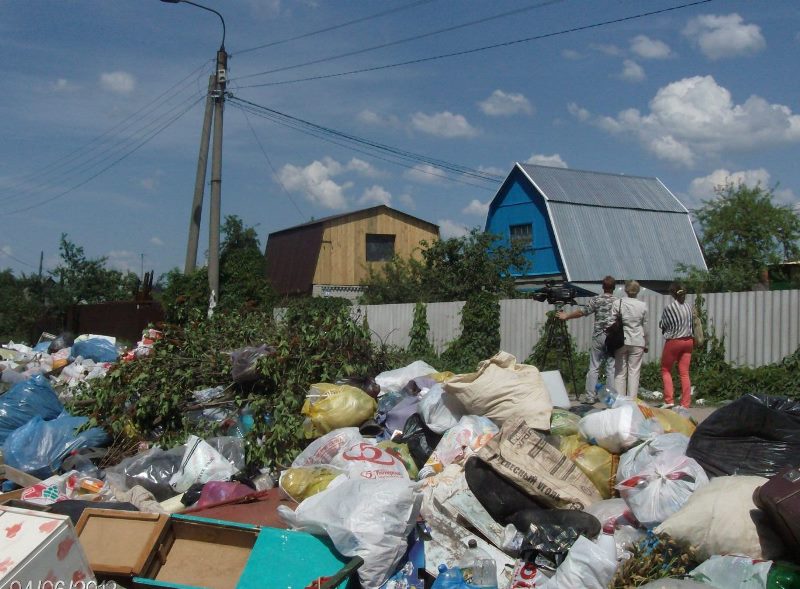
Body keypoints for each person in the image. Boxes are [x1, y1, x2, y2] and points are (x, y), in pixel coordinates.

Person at [557, 275, 617, 403]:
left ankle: (590, 396)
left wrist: (566, 315)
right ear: (614, 288)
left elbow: (582, 312)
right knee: (611, 367)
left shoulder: (597, 300)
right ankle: (611, 398)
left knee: (594, 366)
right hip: (612, 337)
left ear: (602, 287)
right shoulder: (618, 301)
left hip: (598, 335)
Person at [659, 282, 694, 409]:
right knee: (684, 373)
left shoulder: (669, 308)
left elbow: (663, 325)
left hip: (674, 341)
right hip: (689, 341)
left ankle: (669, 400)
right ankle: (685, 403)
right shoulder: (689, 307)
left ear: (672, 293)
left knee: (665, 369)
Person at [614, 280, 648, 400]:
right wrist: (646, 342)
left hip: (620, 340)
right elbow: (645, 326)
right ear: (638, 291)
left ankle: (619, 401)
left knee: (620, 372)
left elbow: (611, 322)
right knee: (634, 372)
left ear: (626, 290)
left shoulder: (618, 303)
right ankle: (632, 401)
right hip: (638, 340)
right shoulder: (642, 305)